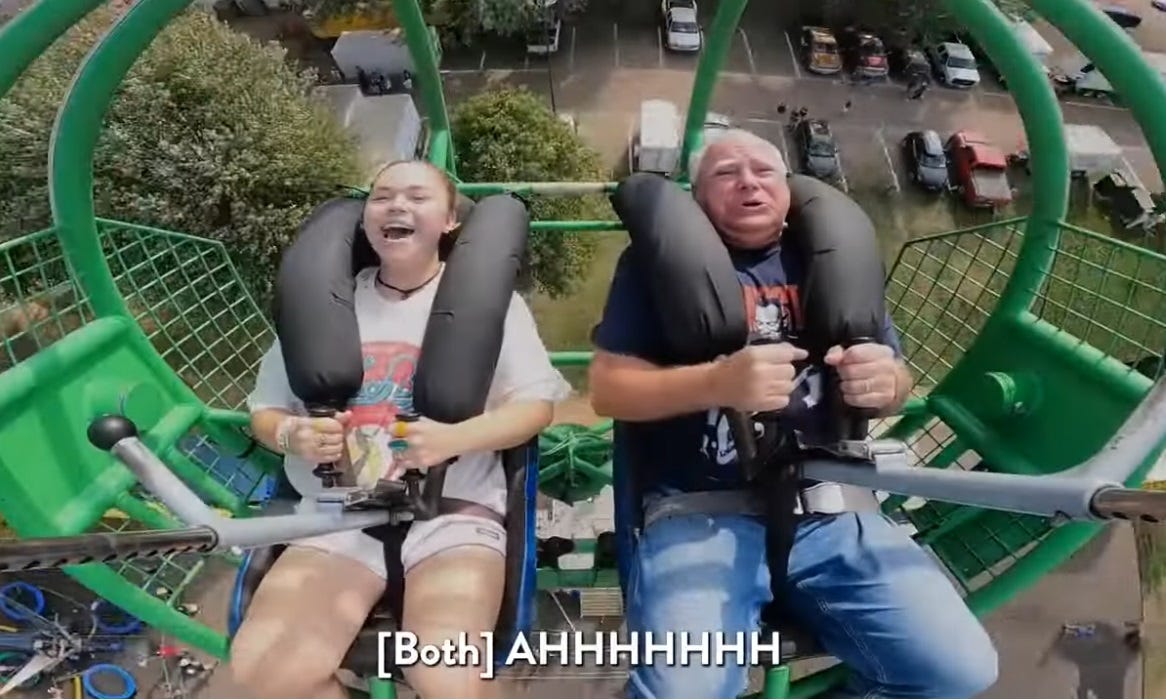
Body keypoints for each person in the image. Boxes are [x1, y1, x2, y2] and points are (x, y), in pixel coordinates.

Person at [588, 130, 999, 699]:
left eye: (763, 170)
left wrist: (885, 383)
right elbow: (609, 391)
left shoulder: (836, 260)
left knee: (957, 671)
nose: (748, 182)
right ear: (698, 197)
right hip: (704, 513)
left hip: (832, 504)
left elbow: (898, 382)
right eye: (726, 173)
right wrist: (717, 382)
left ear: (788, 189)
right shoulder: (656, 267)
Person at [217, 160, 571, 698]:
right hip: (337, 517)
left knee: (448, 676)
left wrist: (455, 438)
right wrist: (293, 435)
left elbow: (535, 407)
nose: (397, 206)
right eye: (382, 197)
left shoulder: (490, 306)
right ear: (365, 221)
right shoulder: (322, 309)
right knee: (257, 676)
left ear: (450, 220)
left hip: (450, 512)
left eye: (417, 197)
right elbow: (265, 412)